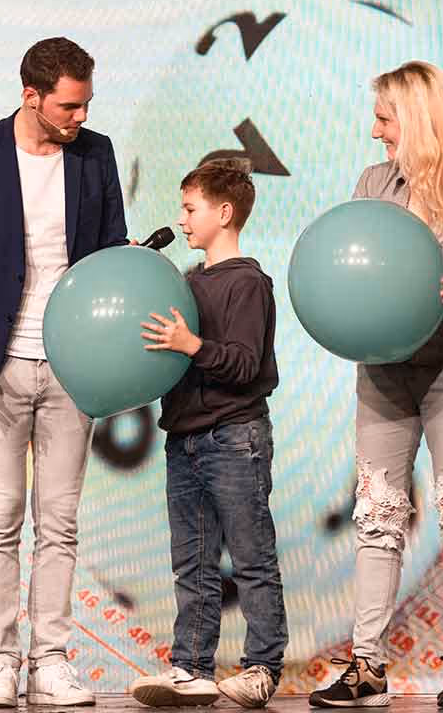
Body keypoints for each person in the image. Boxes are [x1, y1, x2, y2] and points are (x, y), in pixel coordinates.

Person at [0, 36, 127, 707]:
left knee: (60, 521)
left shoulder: (95, 154)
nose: (80, 117)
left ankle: (51, 659)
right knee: (1, 517)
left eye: (86, 104)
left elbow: (110, 261)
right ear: (30, 96)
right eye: (69, 105)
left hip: (73, 368)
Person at [308, 61, 443, 709]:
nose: (375, 133)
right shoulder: (375, 182)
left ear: (418, 121)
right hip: (384, 373)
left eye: (385, 119)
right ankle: (366, 665)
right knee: (378, 514)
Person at [128, 159, 287, 709]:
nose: (183, 219)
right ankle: (191, 666)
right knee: (192, 561)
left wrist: (191, 345)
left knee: (250, 555)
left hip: (234, 438)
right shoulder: (187, 282)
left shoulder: (248, 282)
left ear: (224, 212)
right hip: (185, 439)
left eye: (191, 209)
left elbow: (246, 366)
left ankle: (262, 666)